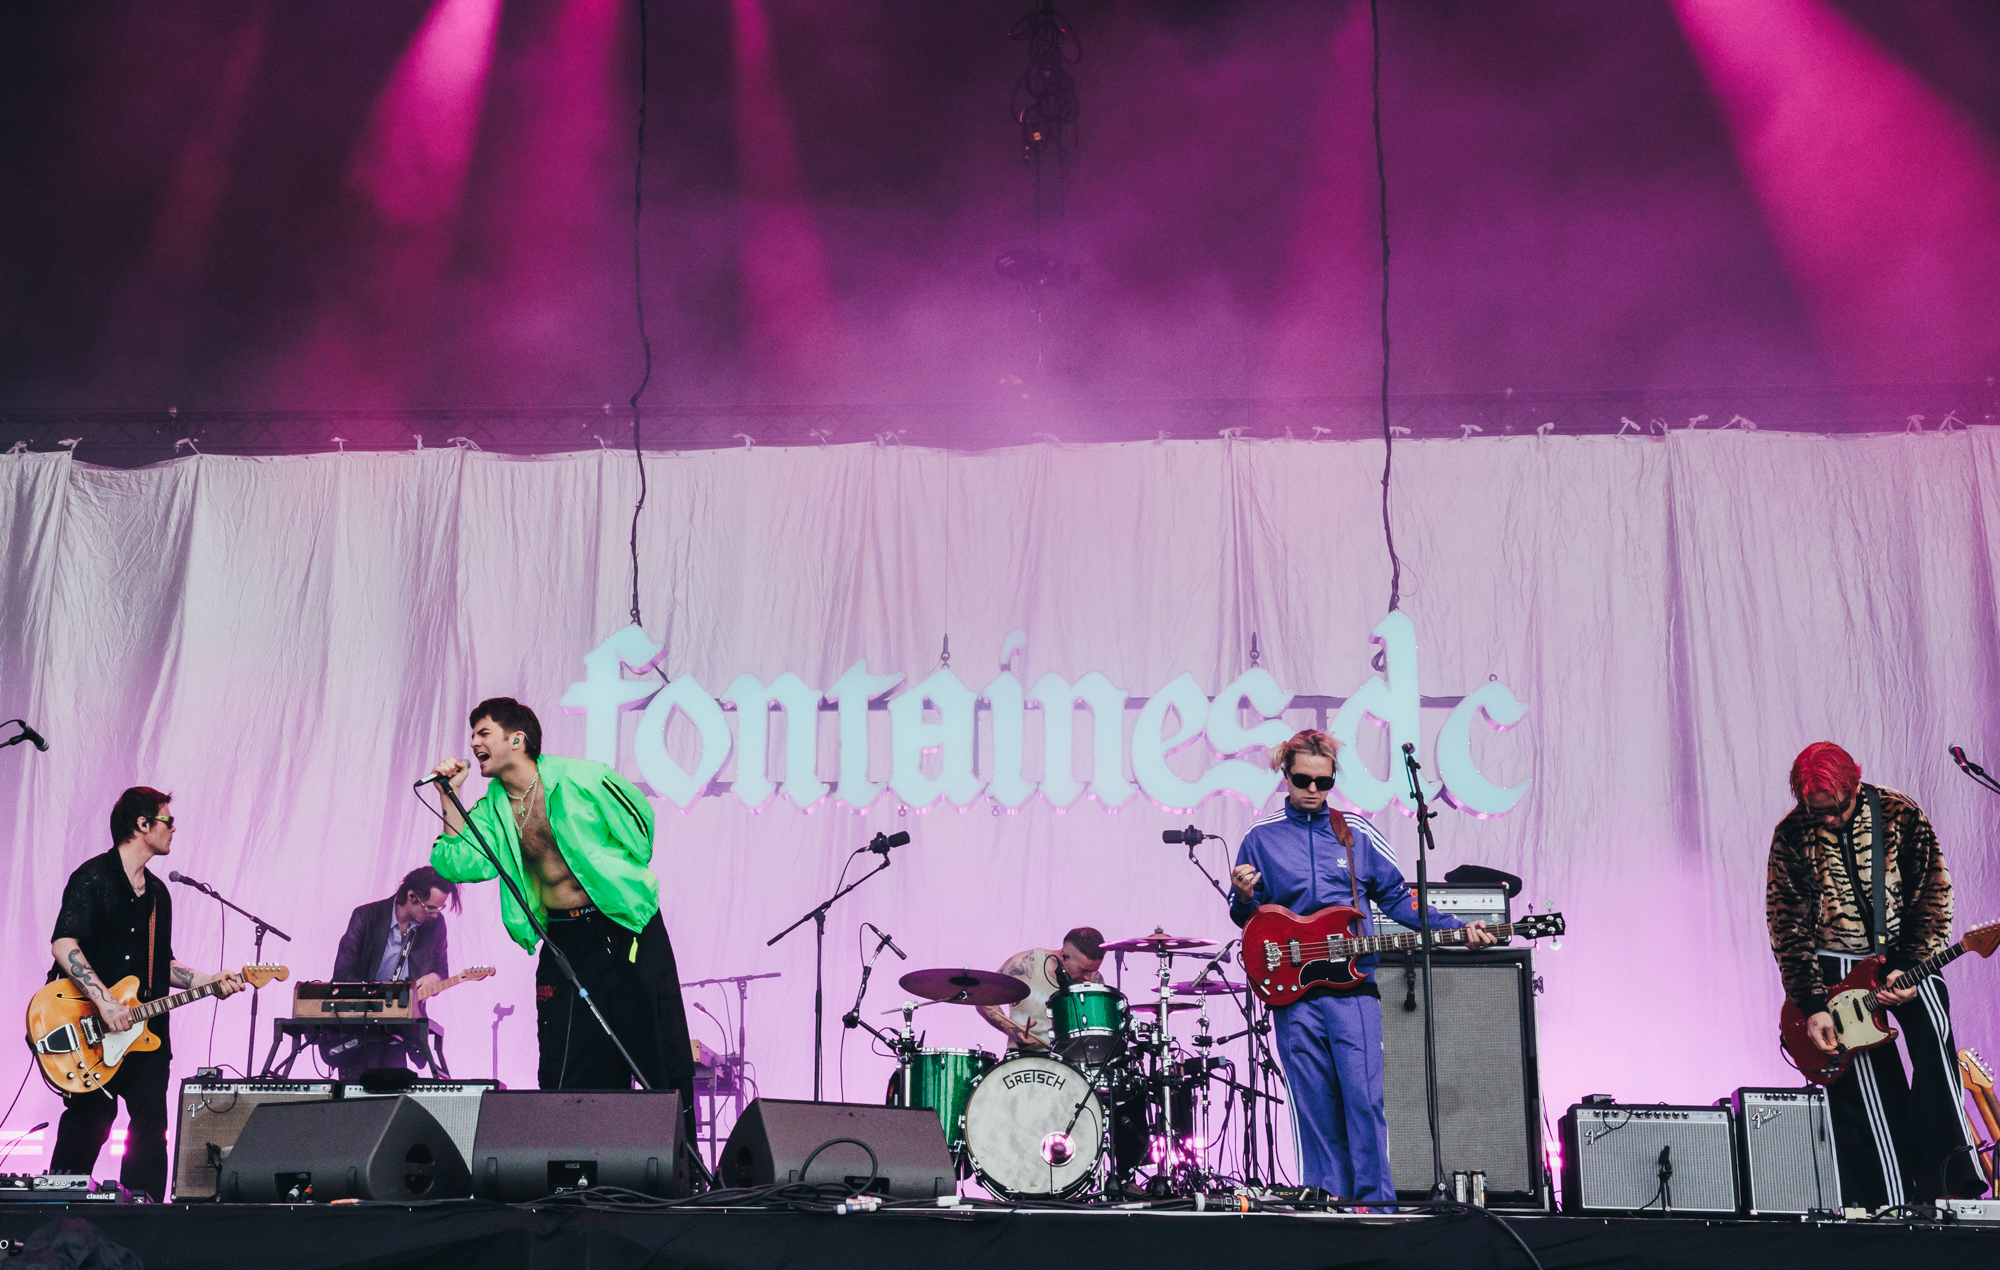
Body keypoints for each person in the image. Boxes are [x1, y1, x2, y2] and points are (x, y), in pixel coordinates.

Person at [1228, 729, 1492, 1206]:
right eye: (1303, 779)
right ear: (1284, 776)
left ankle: (1374, 1203)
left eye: (1323, 782)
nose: (1312, 790)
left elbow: (1396, 898)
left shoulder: (1357, 832)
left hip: (1353, 988)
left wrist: (1457, 927)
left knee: (1363, 1101)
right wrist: (1244, 897)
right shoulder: (1260, 838)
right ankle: (1329, 1202)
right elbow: (1247, 918)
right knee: (1313, 1107)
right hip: (1293, 995)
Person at [428, 698, 696, 1119]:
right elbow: (455, 862)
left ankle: (673, 1169)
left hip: (623, 925)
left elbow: (640, 827)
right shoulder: (494, 807)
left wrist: (612, 875)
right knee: (568, 1059)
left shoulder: (582, 777)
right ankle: (581, 1173)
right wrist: (450, 793)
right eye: (473, 734)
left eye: (483, 733)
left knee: (653, 1048)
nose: (473, 743)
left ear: (516, 740)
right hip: (564, 937)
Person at [1766, 741, 1988, 1206]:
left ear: (1854, 783)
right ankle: (1888, 1199)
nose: (1827, 820)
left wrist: (1909, 964)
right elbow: (1787, 926)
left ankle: (1947, 1184)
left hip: (1909, 955)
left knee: (1936, 1057)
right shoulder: (1791, 835)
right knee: (1865, 1085)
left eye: (1836, 808)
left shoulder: (1900, 813)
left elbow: (1933, 894)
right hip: (1836, 969)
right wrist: (1812, 1004)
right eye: (1816, 811)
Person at [47, 788, 244, 1201]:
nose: (174, 829)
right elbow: (65, 944)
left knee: (151, 1126)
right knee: (92, 1118)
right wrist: (105, 1001)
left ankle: (143, 1212)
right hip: (89, 1028)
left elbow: (163, 965)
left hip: (146, 1034)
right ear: (143, 825)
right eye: (167, 821)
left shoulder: (158, 895)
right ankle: (56, 1209)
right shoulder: (93, 878)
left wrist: (211, 981)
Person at [325, 865, 459, 1080]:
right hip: (360, 1025)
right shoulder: (366, 916)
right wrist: (378, 996)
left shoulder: (435, 925)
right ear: (411, 896)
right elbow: (343, 971)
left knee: (393, 1091)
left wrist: (436, 977)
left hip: (401, 1027)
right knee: (354, 1094)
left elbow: (441, 967)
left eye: (439, 909)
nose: (435, 915)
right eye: (431, 908)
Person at [978, 928, 1107, 1053]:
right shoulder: (1025, 964)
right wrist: (1011, 1030)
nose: (1088, 977)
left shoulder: (1095, 979)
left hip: (1070, 1064)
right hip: (1024, 1060)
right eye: (1084, 970)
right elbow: (983, 999)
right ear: (1064, 956)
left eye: (1093, 970)